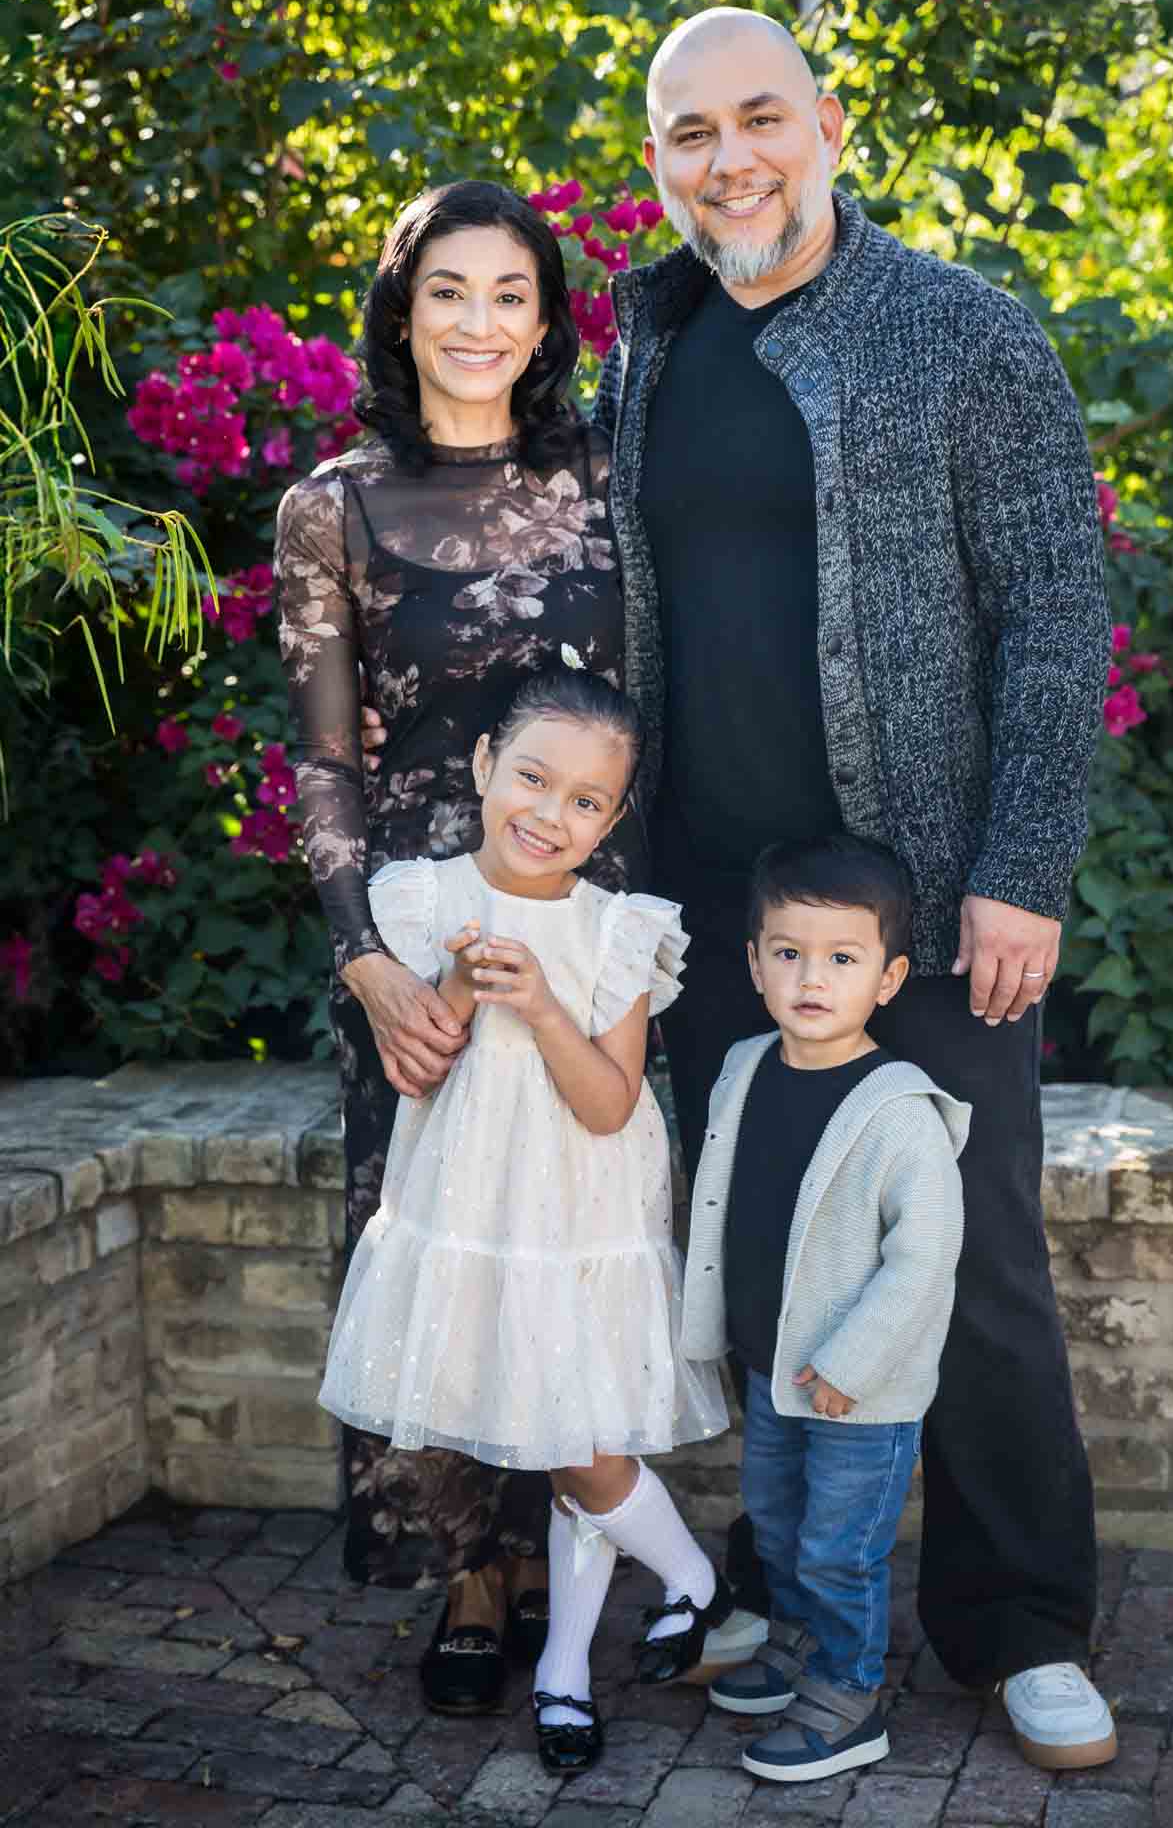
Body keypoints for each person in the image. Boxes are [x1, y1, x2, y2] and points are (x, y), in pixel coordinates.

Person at [596, 8, 1118, 1768]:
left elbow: (1055, 611)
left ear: (828, 124)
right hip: (715, 915)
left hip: (916, 918)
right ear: (655, 159)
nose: (727, 159)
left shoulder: (961, 333)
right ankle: (791, 1593)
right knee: (755, 1262)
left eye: (758, 119)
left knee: (968, 1270)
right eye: (688, 133)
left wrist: (1019, 872)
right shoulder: (649, 339)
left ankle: (1022, 1621)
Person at [274, 179, 644, 1717]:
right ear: (401, 308)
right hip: (420, 943)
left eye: (511, 293)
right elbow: (321, 768)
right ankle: (473, 1576)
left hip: (587, 927)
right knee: (434, 1248)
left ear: (548, 321)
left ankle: (583, 1547)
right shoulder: (333, 509)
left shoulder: (612, 483)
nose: (479, 322)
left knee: (568, 1236)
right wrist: (364, 961)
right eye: (448, 290)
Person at [317, 669, 731, 1776]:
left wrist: (545, 1002)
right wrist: (452, 983)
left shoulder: (619, 930)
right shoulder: (414, 899)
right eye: (534, 778)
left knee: (585, 1449)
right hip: (475, 1215)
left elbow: (608, 1105)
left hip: (582, 1219)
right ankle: (569, 1673)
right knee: (563, 1452)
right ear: (484, 766)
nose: (552, 815)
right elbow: (419, 1076)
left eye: (588, 800)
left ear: (611, 815)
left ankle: (699, 1589)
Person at [681, 834, 969, 1783]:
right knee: (774, 1521)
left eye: (841, 958)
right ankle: (798, 1647)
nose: (812, 977)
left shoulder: (898, 1113)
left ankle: (849, 1694)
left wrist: (853, 1364)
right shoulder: (743, 1068)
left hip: (859, 1391)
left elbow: (924, 1260)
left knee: (840, 1548)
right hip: (771, 1364)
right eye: (789, 952)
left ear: (886, 979)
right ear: (755, 960)